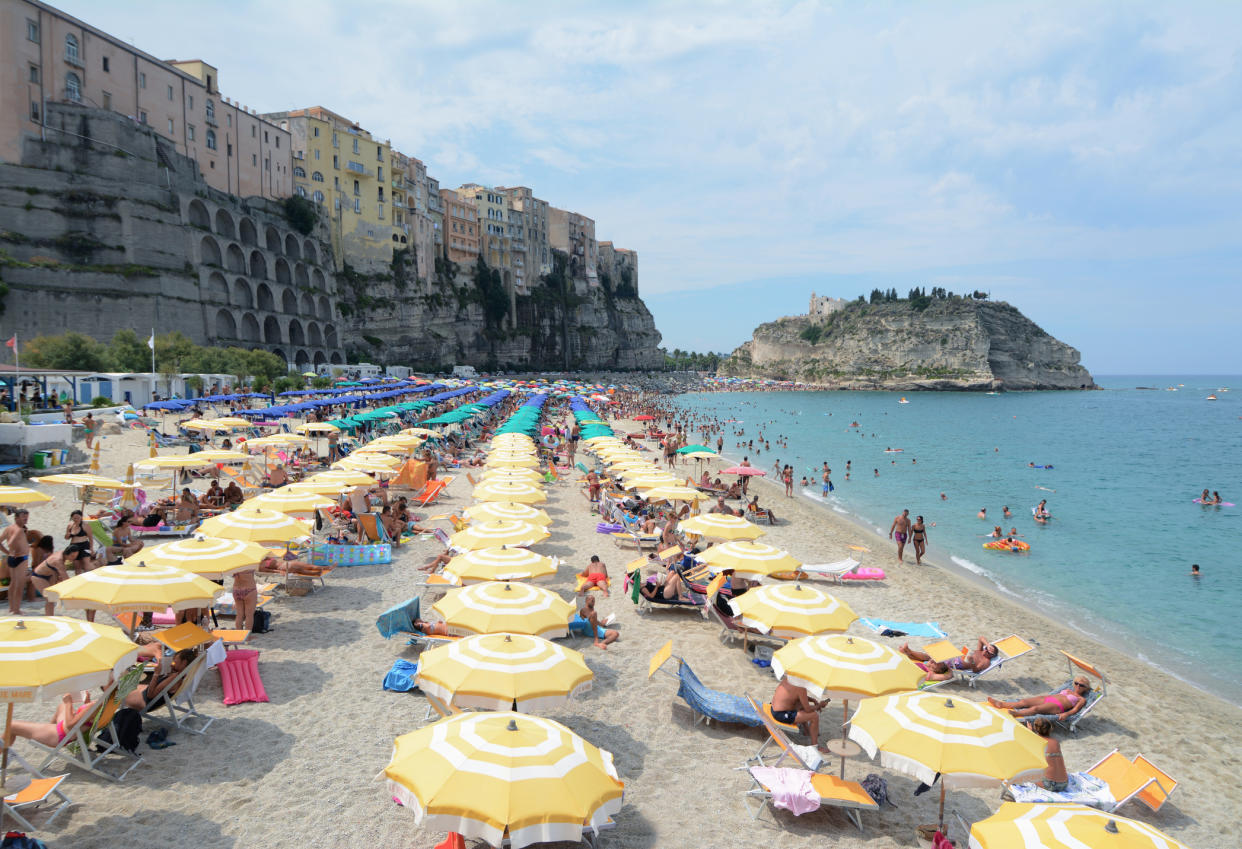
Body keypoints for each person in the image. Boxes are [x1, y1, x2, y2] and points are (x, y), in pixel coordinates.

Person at [4, 689, 99, 748]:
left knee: (11, 726)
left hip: (60, 735)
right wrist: (87, 703)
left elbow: (70, 725)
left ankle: (44, 734)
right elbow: (89, 718)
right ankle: (44, 731)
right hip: (72, 732)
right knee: (61, 706)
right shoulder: (106, 703)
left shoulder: (95, 706)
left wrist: (68, 703)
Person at [988, 677, 1092, 721]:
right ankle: (1001, 704)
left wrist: (1066, 714)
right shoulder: (1069, 689)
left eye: (1081, 685)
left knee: (1036, 709)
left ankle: (1018, 714)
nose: (1078, 686)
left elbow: (1075, 710)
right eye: (1077, 683)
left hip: (1057, 707)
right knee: (1024, 701)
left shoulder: (1081, 699)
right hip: (1047, 698)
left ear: (1085, 688)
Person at [123, 649, 196, 711]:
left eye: (175, 662)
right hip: (143, 695)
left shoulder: (174, 678)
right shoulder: (182, 676)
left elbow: (150, 695)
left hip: (145, 701)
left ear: (184, 663)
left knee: (116, 688)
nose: (171, 664)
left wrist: (156, 674)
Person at [899, 637, 999, 682]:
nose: (986, 651)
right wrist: (988, 645)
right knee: (931, 656)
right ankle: (909, 652)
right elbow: (981, 638)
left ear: (992, 655)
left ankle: (909, 652)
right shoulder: (981, 650)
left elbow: (976, 671)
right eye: (987, 649)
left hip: (955, 665)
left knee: (932, 658)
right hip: (955, 657)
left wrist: (971, 660)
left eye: (989, 652)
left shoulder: (986, 661)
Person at [771, 677, 829, 749]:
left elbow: (796, 694)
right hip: (781, 715)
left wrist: (812, 699)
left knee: (800, 703)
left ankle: (807, 731)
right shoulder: (801, 687)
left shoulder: (788, 678)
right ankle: (815, 747)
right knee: (814, 716)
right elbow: (807, 709)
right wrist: (819, 705)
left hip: (773, 709)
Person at [1, 509, 31, 614]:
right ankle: (17, 609)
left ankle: (12, 608)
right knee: (19, 584)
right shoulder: (19, 530)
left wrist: (8, 552)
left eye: (27, 517)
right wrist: (11, 549)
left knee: (13, 584)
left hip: (12, 557)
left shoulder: (9, 528)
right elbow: (11, 542)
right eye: (23, 517)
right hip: (21, 558)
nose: (26, 519)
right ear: (16, 518)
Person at [1029, 717, 1068, 792]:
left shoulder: (1036, 742)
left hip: (1049, 785)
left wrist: (1030, 732)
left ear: (1035, 728)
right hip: (1064, 783)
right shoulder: (1056, 742)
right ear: (1050, 729)